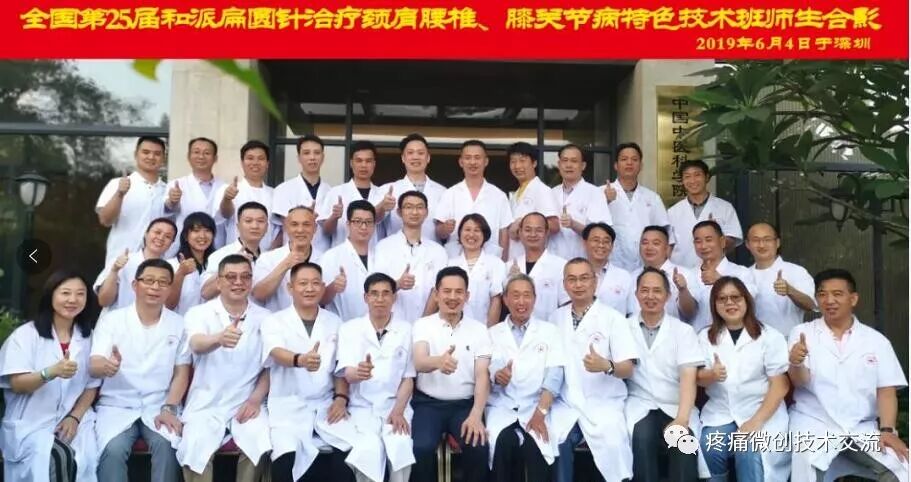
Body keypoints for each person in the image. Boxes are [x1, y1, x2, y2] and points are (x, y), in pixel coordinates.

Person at [788, 269, 909, 482]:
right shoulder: (802, 333)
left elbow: (886, 390)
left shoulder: (876, 340)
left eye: (837, 294)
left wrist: (887, 430)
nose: (829, 300)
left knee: (903, 467)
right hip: (814, 422)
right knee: (808, 468)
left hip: (860, 426)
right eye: (822, 294)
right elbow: (800, 381)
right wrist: (796, 362)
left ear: (853, 299)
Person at [90, 259, 191, 482]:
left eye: (163, 282)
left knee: (167, 447)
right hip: (117, 404)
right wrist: (106, 367)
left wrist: (169, 408)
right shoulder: (112, 321)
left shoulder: (179, 324)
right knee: (113, 450)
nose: (155, 287)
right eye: (149, 280)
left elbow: (181, 372)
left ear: (170, 288)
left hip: (159, 404)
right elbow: (94, 363)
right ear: (135, 285)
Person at [177, 254, 272, 482]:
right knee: (194, 446)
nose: (238, 282)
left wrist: (255, 399)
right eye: (231, 277)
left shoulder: (267, 318)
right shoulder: (199, 313)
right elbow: (196, 344)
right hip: (206, 403)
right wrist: (218, 339)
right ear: (218, 282)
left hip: (246, 401)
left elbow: (270, 368)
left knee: (261, 441)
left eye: (245, 277)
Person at [0, 269, 101, 482]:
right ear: (51, 295)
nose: (72, 299)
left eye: (80, 294)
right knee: (56, 458)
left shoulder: (88, 337)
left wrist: (75, 417)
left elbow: (92, 385)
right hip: (32, 424)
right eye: (65, 293)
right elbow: (17, 383)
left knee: (86, 460)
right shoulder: (26, 335)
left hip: (74, 423)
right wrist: (50, 372)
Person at [261, 262, 355, 482]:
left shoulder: (335, 322)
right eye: (303, 283)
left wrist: (341, 398)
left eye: (315, 283)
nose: (310, 289)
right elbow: (275, 352)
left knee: (346, 459)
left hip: (326, 405)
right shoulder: (274, 321)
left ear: (323, 287)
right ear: (290, 288)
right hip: (288, 407)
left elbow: (340, 368)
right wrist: (299, 360)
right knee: (287, 462)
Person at [548, 258, 638, 482]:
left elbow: (628, 368)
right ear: (565, 284)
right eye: (572, 279)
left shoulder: (613, 319)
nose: (578, 284)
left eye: (584, 278)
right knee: (555, 440)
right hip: (566, 402)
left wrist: (607, 366)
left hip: (604, 402)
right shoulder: (555, 318)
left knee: (613, 445)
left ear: (595, 281)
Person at [696, 276, 791, 482]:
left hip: (761, 411)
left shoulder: (769, 336)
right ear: (714, 305)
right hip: (722, 412)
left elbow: (780, 384)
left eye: (735, 297)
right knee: (709, 446)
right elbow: (698, 379)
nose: (729, 303)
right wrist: (711, 375)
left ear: (747, 300)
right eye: (722, 299)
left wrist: (756, 421)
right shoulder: (705, 337)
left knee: (747, 447)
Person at [410, 267, 492, 482]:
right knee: (420, 448)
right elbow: (419, 361)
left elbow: (482, 375)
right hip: (428, 404)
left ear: (467, 296)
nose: (453, 297)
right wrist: (438, 362)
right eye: (446, 291)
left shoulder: (479, 329)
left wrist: (476, 415)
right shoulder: (422, 325)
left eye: (459, 292)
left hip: (465, 405)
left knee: (478, 447)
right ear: (436, 294)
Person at [625, 267, 705, 482]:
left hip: (676, 405)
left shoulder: (683, 331)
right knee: (642, 438)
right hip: (641, 404)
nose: (650, 296)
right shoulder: (623, 328)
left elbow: (688, 378)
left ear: (668, 296)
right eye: (645, 290)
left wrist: (681, 419)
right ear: (636, 294)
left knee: (682, 443)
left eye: (657, 291)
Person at [336, 273, 416, 482]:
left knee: (400, 444)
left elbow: (408, 377)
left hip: (395, 405)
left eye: (386, 293)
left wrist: (398, 411)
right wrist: (358, 373)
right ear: (366, 297)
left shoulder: (406, 330)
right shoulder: (349, 329)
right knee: (368, 449)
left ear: (394, 297)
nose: (380, 299)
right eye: (374, 294)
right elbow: (346, 373)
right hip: (362, 407)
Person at [487, 273, 564, 482]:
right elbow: (490, 368)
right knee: (502, 443)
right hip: (502, 405)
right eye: (515, 295)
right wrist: (498, 376)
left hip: (537, 405)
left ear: (535, 299)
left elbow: (555, 376)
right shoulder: (493, 334)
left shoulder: (550, 332)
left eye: (527, 295)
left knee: (535, 445)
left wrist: (540, 413)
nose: (521, 302)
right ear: (505, 299)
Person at [374, 191, 448, 322]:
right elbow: (375, 287)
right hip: (392, 323)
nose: (414, 212)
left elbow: (438, 291)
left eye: (419, 207)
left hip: (428, 324)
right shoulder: (383, 247)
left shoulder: (438, 251)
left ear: (426, 212)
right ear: (399, 212)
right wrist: (398, 284)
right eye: (408, 207)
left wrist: (423, 324)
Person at [96, 136, 168, 266]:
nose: (151, 157)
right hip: (121, 261)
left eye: (157, 154)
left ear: (163, 158)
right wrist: (120, 194)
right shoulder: (117, 184)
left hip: (156, 265)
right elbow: (105, 220)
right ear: (136, 154)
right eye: (146, 152)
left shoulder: (168, 190)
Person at [434, 140, 512, 259]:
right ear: (461, 162)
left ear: (486, 161)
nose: (472, 162)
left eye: (477, 157)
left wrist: (504, 261)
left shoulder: (499, 195)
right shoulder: (449, 194)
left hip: (490, 259)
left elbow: (504, 232)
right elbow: (439, 232)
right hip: (456, 258)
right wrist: (445, 228)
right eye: (468, 158)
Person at [604, 142, 670, 271]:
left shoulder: (653, 198)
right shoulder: (600, 193)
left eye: (634, 159)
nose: (629, 163)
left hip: (646, 266)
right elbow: (590, 228)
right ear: (616, 165)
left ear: (641, 165)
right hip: (612, 264)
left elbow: (663, 233)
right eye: (624, 159)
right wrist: (605, 201)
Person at [667, 160, 743, 269]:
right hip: (681, 270)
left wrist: (716, 234)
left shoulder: (725, 207)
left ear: (707, 177)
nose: (692, 180)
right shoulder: (673, 211)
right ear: (682, 181)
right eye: (687, 176)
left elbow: (733, 240)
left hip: (714, 270)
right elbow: (668, 245)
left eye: (697, 175)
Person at [433, 214, 505, 325]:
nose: (471, 234)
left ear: (484, 234)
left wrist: (489, 330)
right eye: (467, 230)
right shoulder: (450, 263)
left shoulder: (495, 263)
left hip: (482, 326)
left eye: (477, 230)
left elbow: (496, 300)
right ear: (460, 233)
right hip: (451, 326)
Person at [319, 140, 392, 249]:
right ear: (351, 163)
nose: (363, 165)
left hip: (374, 254)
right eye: (359, 160)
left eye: (368, 161)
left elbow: (378, 219)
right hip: (342, 253)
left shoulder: (383, 194)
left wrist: (382, 205)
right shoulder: (335, 193)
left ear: (374, 164)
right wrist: (334, 217)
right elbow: (326, 231)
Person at [745, 222, 816, 336]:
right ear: (747, 244)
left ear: (777, 242)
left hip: (788, 339)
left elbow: (810, 305)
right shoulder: (743, 275)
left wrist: (790, 291)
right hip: (755, 340)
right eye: (755, 240)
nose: (761, 245)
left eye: (767, 239)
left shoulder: (795, 271)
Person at [94, 217, 178, 311]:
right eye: (157, 232)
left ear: (172, 243)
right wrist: (115, 270)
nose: (161, 238)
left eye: (168, 236)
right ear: (146, 234)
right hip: (117, 319)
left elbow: (169, 305)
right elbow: (104, 301)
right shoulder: (122, 260)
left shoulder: (172, 269)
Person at [164, 137, 227, 255]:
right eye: (196, 152)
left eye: (207, 153)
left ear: (215, 158)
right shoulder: (176, 184)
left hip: (217, 247)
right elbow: (169, 210)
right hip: (184, 248)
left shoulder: (224, 187)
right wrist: (173, 201)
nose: (201, 157)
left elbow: (226, 216)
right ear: (188, 156)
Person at [550, 144, 613, 260]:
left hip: (583, 260)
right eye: (565, 160)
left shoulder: (595, 193)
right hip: (554, 259)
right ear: (559, 164)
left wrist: (574, 225)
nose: (569, 165)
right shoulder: (551, 193)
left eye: (574, 161)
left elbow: (601, 233)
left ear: (583, 166)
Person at [272, 135, 333, 256]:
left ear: (323, 157)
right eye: (306, 153)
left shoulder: (331, 191)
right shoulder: (283, 189)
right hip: (292, 254)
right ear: (299, 158)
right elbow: (286, 225)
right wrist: (307, 217)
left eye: (317, 153)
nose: (312, 157)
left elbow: (332, 229)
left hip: (323, 254)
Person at [691, 220, 756, 332]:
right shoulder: (689, 274)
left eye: (708, 240)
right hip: (699, 337)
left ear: (722, 242)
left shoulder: (741, 272)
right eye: (698, 241)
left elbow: (749, 300)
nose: (703, 246)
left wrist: (720, 280)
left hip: (733, 335)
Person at [627, 225, 701, 322]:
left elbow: (691, 312)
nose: (649, 247)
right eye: (645, 243)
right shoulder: (630, 277)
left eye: (656, 243)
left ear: (667, 249)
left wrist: (683, 290)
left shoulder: (685, 274)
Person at [253, 205, 320, 312]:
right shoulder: (268, 258)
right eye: (294, 224)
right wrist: (285, 264)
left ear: (315, 228)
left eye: (306, 224)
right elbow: (258, 294)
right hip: (277, 321)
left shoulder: (325, 258)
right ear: (286, 228)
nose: (300, 230)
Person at [380, 133, 446, 242]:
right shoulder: (387, 190)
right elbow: (372, 220)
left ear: (428, 158)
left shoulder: (442, 192)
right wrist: (382, 206)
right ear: (403, 158)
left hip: (432, 250)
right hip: (396, 250)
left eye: (420, 153)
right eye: (410, 153)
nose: (415, 157)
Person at [214, 140, 277, 253]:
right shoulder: (227, 189)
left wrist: (271, 253)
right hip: (236, 254)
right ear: (242, 162)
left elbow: (279, 228)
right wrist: (227, 199)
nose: (255, 162)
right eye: (250, 158)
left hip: (267, 255)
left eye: (261, 158)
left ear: (267, 163)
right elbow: (225, 215)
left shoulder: (275, 194)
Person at [319, 200, 377, 321]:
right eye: (358, 221)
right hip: (341, 326)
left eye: (368, 222)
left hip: (376, 327)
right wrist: (334, 287)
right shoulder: (332, 257)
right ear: (348, 224)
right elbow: (320, 299)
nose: (363, 227)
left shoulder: (380, 255)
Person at [507, 212, 569, 321]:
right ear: (520, 232)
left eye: (539, 230)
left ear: (547, 233)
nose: (533, 234)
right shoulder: (509, 267)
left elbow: (566, 306)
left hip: (551, 329)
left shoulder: (561, 266)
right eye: (528, 230)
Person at [201, 201, 269, 300]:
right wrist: (231, 263)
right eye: (248, 221)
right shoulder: (221, 255)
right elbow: (205, 293)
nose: (255, 226)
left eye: (260, 221)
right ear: (238, 226)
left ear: (267, 227)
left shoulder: (269, 256)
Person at [505, 142, 560, 259]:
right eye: (513, 161)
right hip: (516, 258)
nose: (517, 166)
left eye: (522, 160)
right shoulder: (516, 194)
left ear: (534, 163)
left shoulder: (542, 190)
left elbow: (554, 225)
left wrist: (522, 224)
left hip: (535, 258)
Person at [166, 212, 216, 315]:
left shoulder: (217, 263)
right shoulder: (172, 265)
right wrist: (180, 274)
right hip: (180, 322)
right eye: (196, 231)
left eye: (207, 230)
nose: (202, 236)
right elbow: (168, 305)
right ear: (185, 236)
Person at [582, 222, 632, 315]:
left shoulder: (625, 277)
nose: (601, 245)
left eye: (606, 241)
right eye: (596, 240)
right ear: (585, 243)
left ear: (612, 246)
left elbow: (631, 312)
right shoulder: (574, 273)